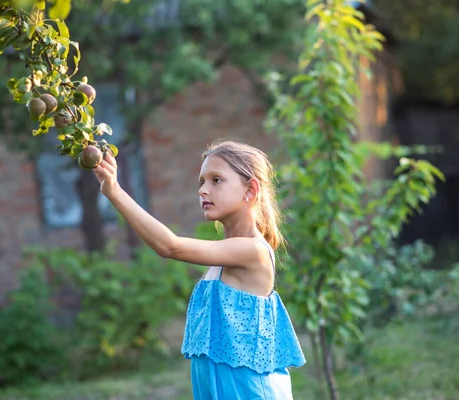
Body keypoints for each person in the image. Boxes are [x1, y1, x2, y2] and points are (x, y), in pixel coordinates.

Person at [94, 139, 306, 399]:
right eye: (201, 182)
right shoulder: (223, 256)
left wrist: (114, 191)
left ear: (250, 190)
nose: (203, 190)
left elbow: (169, 246)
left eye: (216, 180)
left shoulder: (253, 251)